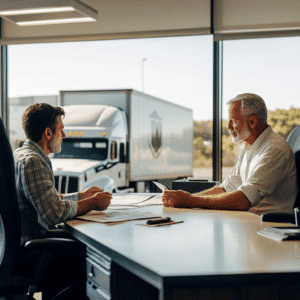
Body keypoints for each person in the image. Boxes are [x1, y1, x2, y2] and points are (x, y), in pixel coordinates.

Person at [13, 103, 112, 298]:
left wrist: (82, 196)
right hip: (31, 256)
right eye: (61, 130)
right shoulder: (33, 161)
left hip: (28, 248)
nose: (64, 136)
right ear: (48, 133)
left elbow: (47, 200)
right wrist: (92, 203)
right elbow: (54, 214)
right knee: (97, 261)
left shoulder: (21, 155)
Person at [163, 93, 297, 215]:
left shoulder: (274, 150)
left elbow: (244, 200)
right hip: (249, 220)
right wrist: (189, 199)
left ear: (252, 122)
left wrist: (190, 201)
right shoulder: (249, 148)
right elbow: (227, 188)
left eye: (233, 121)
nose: (228, 127)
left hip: (269, 227)